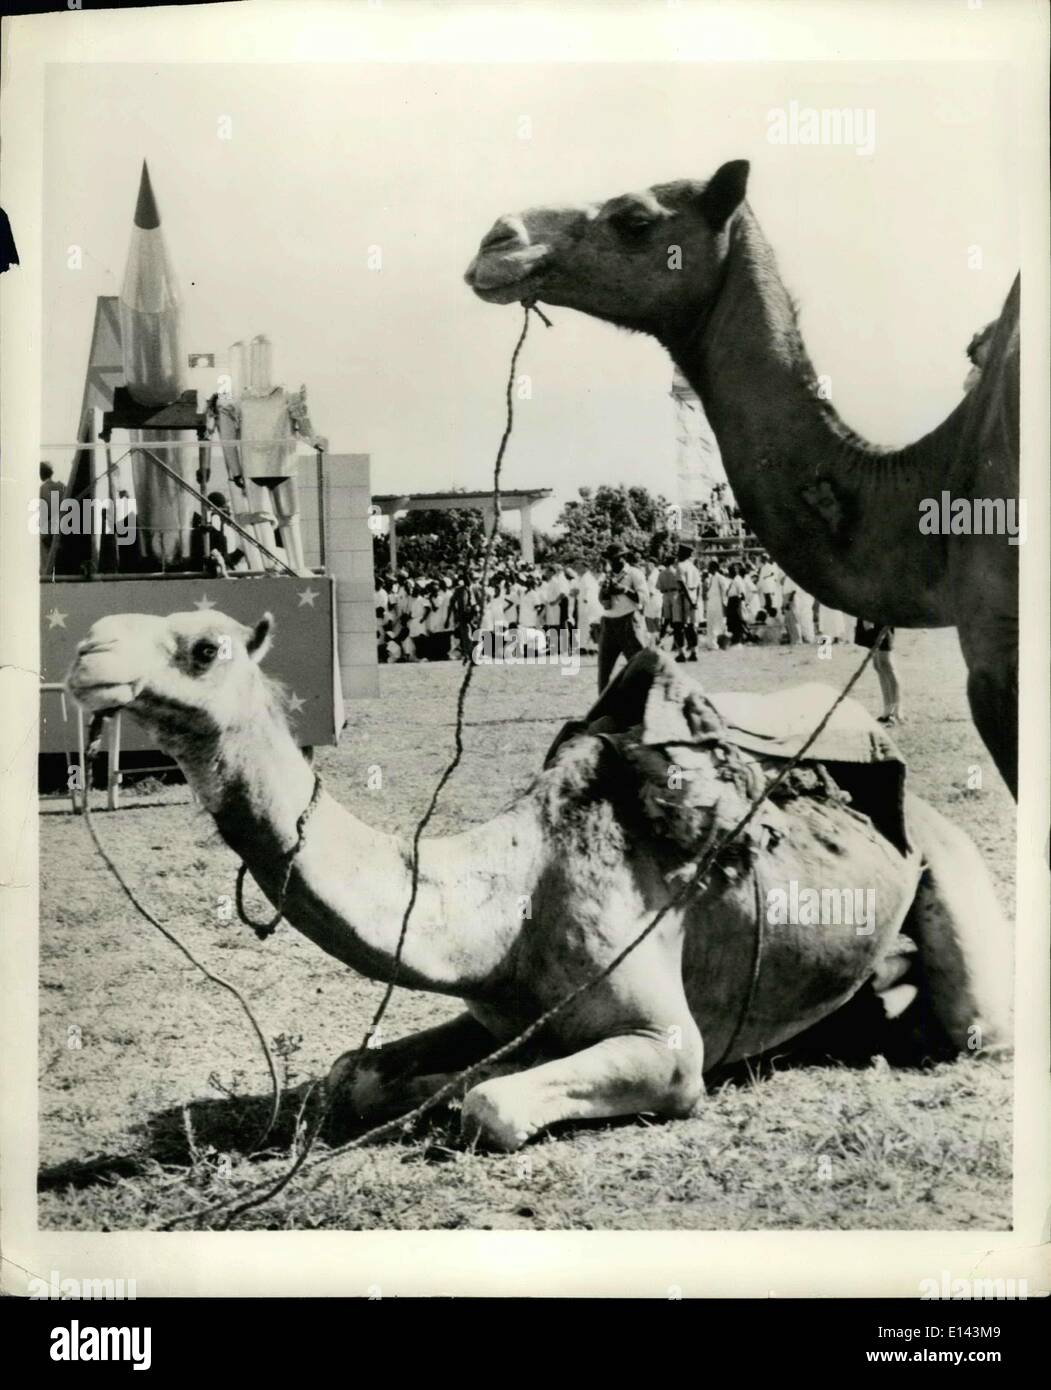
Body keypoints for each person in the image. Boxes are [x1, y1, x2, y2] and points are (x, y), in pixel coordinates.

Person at [596, 541, 650, 691]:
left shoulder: (634, 573)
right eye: (609, 559)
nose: (611, 562)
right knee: (604, 668)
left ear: (623, 557)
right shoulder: (607, 575)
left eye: (614, 558)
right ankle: (602, 709)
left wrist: (624, 590)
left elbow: (644, 599)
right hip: (609, 622)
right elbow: (601, 600)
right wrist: (605, 593)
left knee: (638, 666)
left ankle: (642, 704)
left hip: (629, 621)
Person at [855, 618, 902, 724]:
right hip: (871, 617)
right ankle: (887, 710)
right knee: (878, 665)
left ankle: (897, 711)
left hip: (882, 618)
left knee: (886, 663)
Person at [670, 542, 702, 662]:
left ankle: (681, 653)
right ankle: (694, 652)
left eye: (679, 552)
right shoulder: (693, 567)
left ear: (683, 553)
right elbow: (699, 586)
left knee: (678, 626)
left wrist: (689, 599)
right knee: (691, 626)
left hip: (683, 597)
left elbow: (682, 584)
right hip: (693, 596)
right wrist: (695, 600)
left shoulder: (680, 566)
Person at [704, 559, 728, 649]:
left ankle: (721, 643)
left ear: (715, 568)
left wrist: (724, 604)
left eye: (710, 567)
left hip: (718, 604)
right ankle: (712, 644)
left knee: (718, 624)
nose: (708, 569)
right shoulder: (711, 578)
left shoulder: (720, 578)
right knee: (710, 624)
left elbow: (724, 592)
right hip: (711, 603)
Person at [726, 563, 749, 645]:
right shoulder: (733, 580)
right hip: (732, 602)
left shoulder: (738, 580)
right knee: (732, 623)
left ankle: (739, 640)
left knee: (737, 623)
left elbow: (742, 594)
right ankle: (735, 640)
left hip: (736, 602)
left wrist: (737, 604)